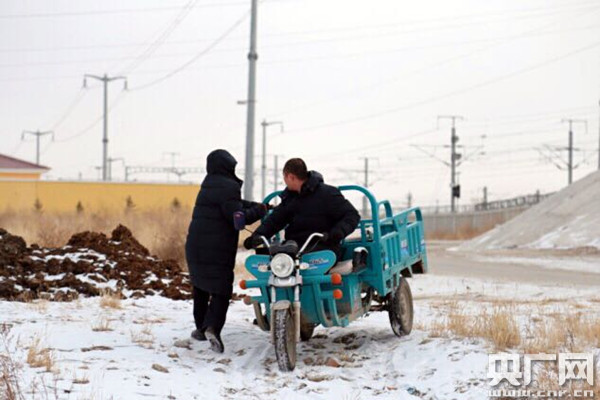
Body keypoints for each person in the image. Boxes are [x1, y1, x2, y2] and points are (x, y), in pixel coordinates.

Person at [185, 149, 267, 353]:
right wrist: (259, 211)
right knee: (221, 290)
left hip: (195, 245)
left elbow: (230, 205)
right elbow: (237, 219)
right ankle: (213, 328)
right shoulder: (229, 186)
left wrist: (256, 205)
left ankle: (200, 328)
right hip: (216, 248)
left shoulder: (208, 184)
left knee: (200, 287)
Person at [244, 158, 360, 260]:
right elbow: (275, 220)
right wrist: (257, 236)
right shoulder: (290, 198)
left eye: (284, 177)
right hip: (295, 248)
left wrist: (336, 233)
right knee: (272, 261)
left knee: (305, 264)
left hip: (323, 246)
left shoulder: (327, 193)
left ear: (290, 177)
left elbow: (352, 215)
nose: (284, 181)